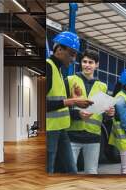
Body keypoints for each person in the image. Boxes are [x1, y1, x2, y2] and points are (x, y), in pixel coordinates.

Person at [46, 31, 93, 174]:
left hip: (61, 130)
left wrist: (74, 102)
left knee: (71, 169)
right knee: (49, 169)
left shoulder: (58, 71)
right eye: (71, 54)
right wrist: (72, 100)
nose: (73, 59)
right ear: (59, 49)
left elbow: (58, 103)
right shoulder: (48, 67)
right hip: (50, 131)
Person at [66, 49, 115, 174]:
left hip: (93, 137)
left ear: (97, 65)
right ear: (80, 63)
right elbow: (63, 106)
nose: (87, 65)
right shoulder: (70, 80)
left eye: (91, 62)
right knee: (69, 171)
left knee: (92, 172)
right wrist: (77, 114)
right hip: (72, 135)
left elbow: (103, 113)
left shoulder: (102, 86)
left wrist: (109, 113)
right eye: (84, 61)